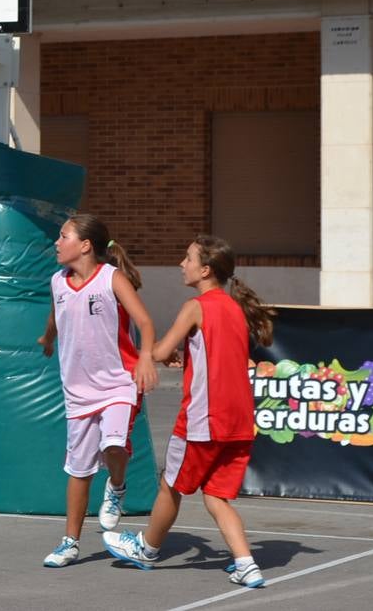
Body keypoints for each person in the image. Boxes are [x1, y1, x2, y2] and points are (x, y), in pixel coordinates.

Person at [102, 234, 275, 589]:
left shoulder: (195, 307)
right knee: (215, 496)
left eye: (188, 258)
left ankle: (147, 550)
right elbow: (218, 356)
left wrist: (152, 353)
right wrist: (187, 353)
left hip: (203, 420)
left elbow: (161, 349)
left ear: (206, 269)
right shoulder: (234, 309)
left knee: (170, 487)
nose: (182, 264)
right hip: (239, 421)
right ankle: (247, 564)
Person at [37, 213, 158, 568]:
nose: (57, 243)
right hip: (77, 391)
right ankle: (69, 542)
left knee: (114, 442)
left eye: (63, 236)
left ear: (85, 245)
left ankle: (117, 488)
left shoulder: (112, 278)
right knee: (79, 469)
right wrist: (48, 337)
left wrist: (147, 357)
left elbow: (145, 321)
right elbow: (56, 314)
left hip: (118, 382)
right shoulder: (58, 281)